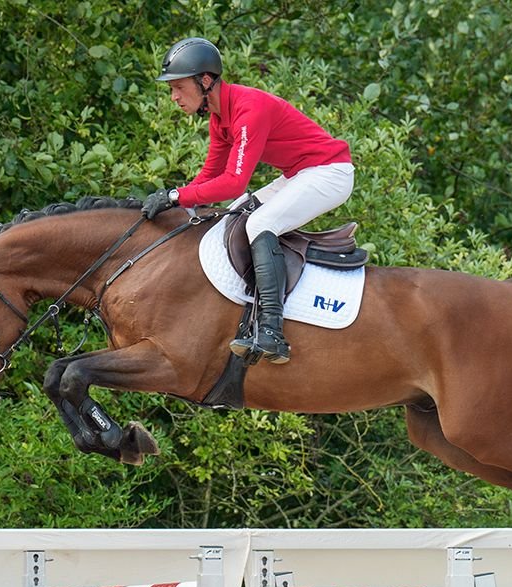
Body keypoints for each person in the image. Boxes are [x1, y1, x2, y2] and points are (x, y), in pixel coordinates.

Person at [142, 38, 355, 364]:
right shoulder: (219, 119)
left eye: (179, 87)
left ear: (206, 80)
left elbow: (233, 182)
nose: (174, 97)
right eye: (171, 89)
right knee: (236, 213)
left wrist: (176, 195)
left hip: (330, 172)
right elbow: (210, 175)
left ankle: (271, 329)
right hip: (301, 173)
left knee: (260, 222)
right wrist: (174, 201)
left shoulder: (248, 108)